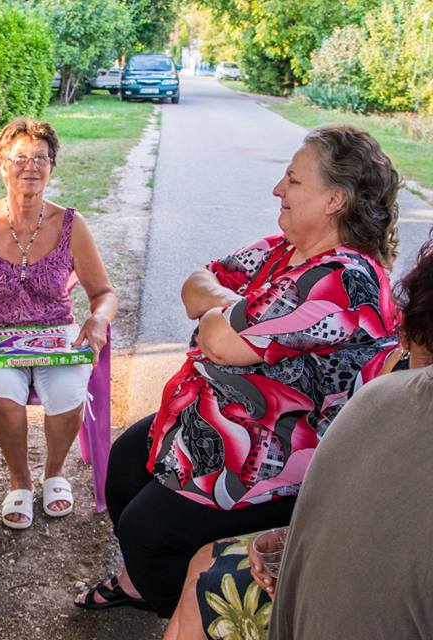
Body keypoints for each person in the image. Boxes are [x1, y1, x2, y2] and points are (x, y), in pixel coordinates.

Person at [75, 124, 400, 617]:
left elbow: (221, 343)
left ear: (335, 200)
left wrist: (222, 318)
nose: (277, 189)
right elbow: (195, 283)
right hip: (213, 412)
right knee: (122, 466)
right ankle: (144, 579)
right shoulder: (282, 249)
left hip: (274, 454)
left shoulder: (342, 279)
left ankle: (188, 610)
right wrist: (234, 307)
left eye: (293, 180)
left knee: (146, 531)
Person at [162, 235, 433, 640]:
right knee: (200, 560)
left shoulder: (346, 286)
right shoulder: (390, 383)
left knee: (197, 567)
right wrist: (293, 537)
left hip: (345, 605)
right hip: (335, 565)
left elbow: (217, 336)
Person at [0, 116, 118, 529]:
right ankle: (19, 480)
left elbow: (104, 293)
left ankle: (55, 473)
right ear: (2, 165)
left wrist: (98, 319)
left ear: (52, 166)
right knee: (3, 393)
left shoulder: (72, 225)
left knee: (68, 390)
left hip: (57, 336)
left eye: (41, 157)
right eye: (19, 157)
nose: (30, 166)